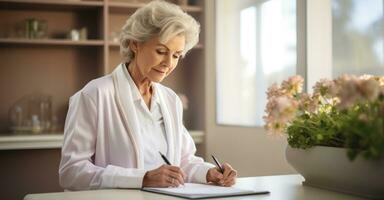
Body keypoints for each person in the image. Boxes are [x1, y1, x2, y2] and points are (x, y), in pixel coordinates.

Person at [59, 0, 237, 190]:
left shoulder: (170, 100)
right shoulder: (94, 95)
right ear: (135, 44)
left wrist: (210, 172)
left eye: (176, 55)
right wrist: (142, 178)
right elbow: (71, 172)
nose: (168, 63)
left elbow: (184, 161)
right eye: (161, 51)